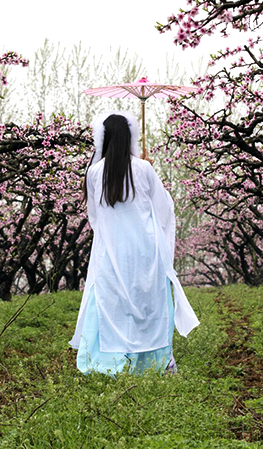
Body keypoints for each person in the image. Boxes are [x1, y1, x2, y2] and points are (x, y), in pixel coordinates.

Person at [69, 110, 200, 376]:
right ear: (130, 138)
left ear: (102, 140)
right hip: (145, 252)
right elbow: (163, 210)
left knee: (111, 305)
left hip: (111, 252)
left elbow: (95, 219)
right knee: (147, 305)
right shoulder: (144, 168)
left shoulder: (94, 173)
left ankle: (108, 366)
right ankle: (152, 363)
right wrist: (146, 172)